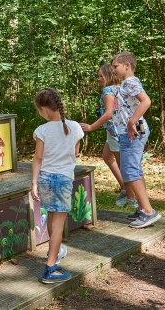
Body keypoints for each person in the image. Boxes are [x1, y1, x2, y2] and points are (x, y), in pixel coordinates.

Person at [31, 88, 84, 284]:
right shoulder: (75, 127)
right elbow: (76, 153)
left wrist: (34, 183)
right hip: (63, 180)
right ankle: (50, 268)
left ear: (44, 110)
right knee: (58, 224)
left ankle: (56, 252)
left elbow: (38, 158)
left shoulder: (42, 130)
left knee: (53, 219)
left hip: (45, 179)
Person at [111, 51, 161, 228]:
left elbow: (145, 101)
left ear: (127, 66)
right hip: (129, 132)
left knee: (130, 170)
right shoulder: (125, 84)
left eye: (115, 66)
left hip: (134, 131)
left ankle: (149, 212)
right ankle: (142, 208)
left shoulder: (130, 81)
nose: (113, 69)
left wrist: (132, 121)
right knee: (133, 169)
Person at [80, 64, 136, 208]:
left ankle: (132, 199)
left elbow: (108, 113)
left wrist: (91, 127)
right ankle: (124, 188)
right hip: (114, 131)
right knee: (106, 156)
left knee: (123, 166)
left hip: (115, 133)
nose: (99, 79)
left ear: (109, 76)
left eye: (101, 76)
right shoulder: (121, 87)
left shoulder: (108, 90)